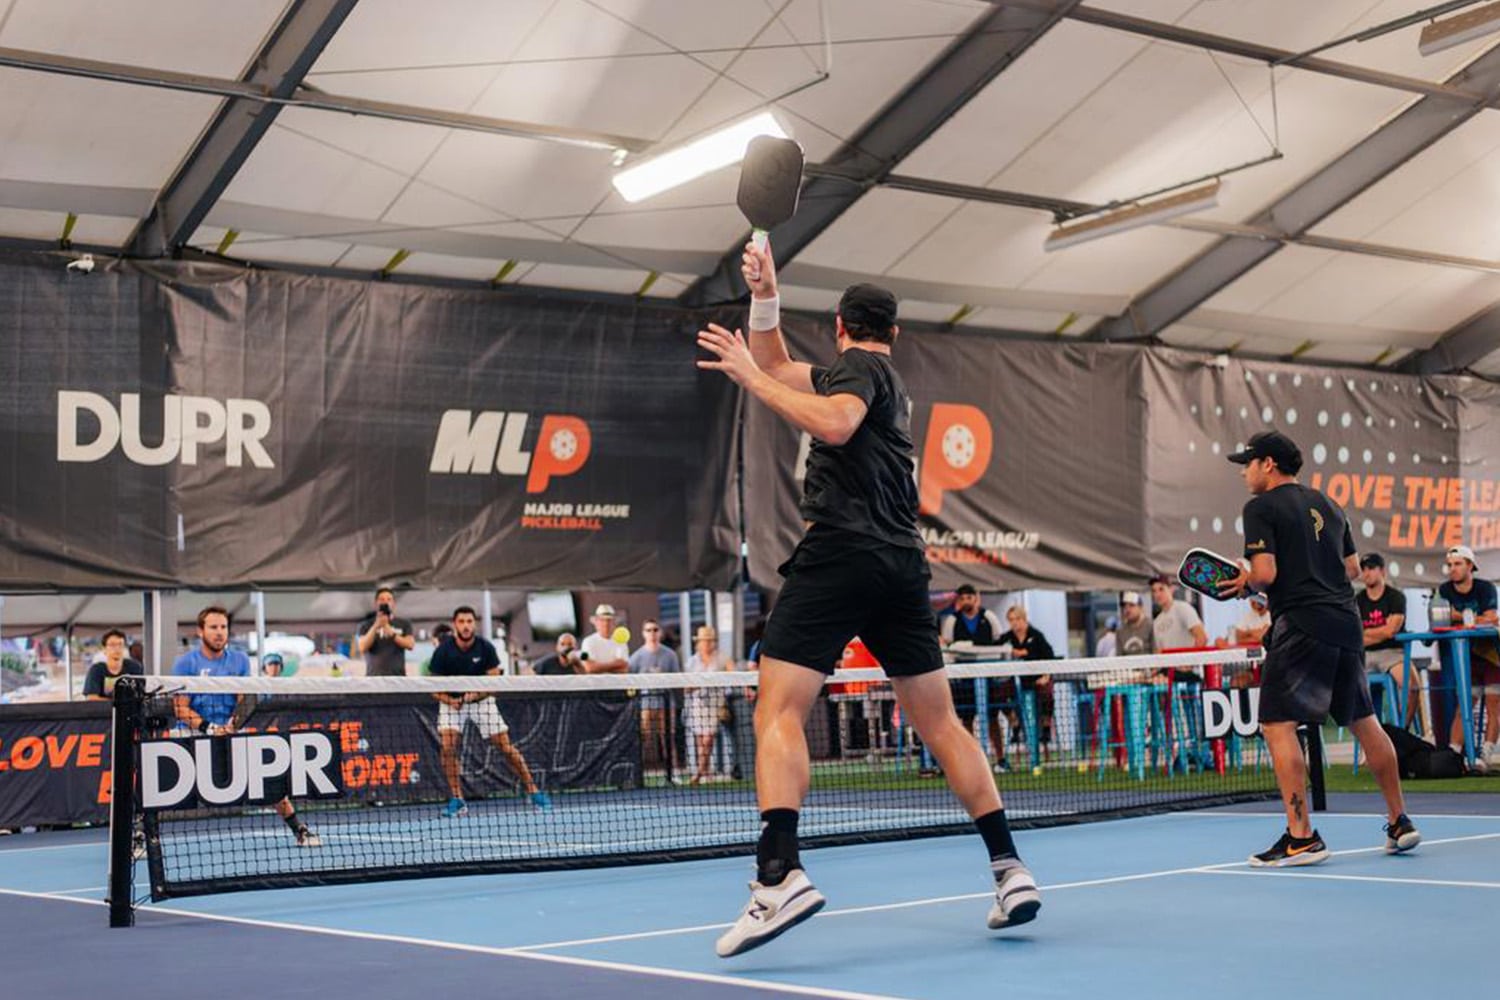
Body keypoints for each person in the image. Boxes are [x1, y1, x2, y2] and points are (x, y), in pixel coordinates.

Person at [695, 237, 1040, 958]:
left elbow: (824, 415)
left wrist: (747, 382)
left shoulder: (853, 379)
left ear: (844, 329)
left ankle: (778, 874)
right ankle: (1010, 870)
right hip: (901, 564)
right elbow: (780, 362)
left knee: (778, 707)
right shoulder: (886, 380)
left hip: (842, 553)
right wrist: (766, 297)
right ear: (896, 333)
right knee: (940, 723)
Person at [1221, 430, 1418, 865]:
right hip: (1345, 623)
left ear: (1268, 464)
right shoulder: (1330, 504)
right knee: (1366, 722)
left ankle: (1301, 836)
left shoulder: (1259, 507)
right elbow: (1349, 568)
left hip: (1303, 626)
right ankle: (1400, 819)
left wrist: (1245, 579)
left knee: (1277, 725)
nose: (1244, 473)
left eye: (1248, 464)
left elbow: (1266, 573)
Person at [172, 606, 320, 847]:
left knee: (266, 777)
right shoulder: (185, 663)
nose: (219, 633)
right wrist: (209, 728)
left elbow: (243, 700)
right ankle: (139, 835)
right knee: (159, 782)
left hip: (230, 731)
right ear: (201, 632)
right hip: (190, 733)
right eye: (213, 627)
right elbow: (180, 708)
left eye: (223, 627)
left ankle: (299, 830)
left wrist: (233, 724)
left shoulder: (240, 660)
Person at [428, 605, 550, 816]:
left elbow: (494, 683)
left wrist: (475, 695)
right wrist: (450, 700)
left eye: (469, 622)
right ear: (455, 625)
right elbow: (432, 688)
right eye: (461, 622)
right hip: (452, 704)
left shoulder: (485, 648)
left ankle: (533, 790)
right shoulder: (443, 651)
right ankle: (458, 799)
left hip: (481, 702)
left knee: (505, 747)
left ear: (473, 624)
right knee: (447, 748)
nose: (465, 626)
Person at [1435, 545, 1500, 767]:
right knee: (1464, 706)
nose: (1452, 569)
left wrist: (1458, 616)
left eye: (1457, 564)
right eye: (1450, 565)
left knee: (1494, 703)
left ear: (1470, 566)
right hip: (1466, 657)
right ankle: (1452, 756)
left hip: (1492, 655)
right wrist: (1473, 618)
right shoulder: (1444, 590)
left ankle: (1486, 755)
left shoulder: (1486, 588)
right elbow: (1440, 619)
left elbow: (1492, 618)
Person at [940, 585, 1006, 769]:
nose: (966, 601)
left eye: (969, 597)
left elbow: (998, 643)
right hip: (964, 680)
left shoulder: (989, 618)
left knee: (993, 717)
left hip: (988, 677)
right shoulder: (952, 621)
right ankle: (971, 761)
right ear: (959, 601)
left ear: (976, 598)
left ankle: (1001, 759)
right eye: (962, 598)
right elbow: (948, 647)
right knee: (966, 719)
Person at [1356, 553, 1420, 730]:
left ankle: (1401, 732)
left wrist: (1368, 633)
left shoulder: (1396, 597)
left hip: (1393, 653)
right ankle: (1371, 741)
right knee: (1355, 690)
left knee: (1412, 687)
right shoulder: (1357, 601)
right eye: (1363, 569)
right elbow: (1356, 636)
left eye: (1371, 568)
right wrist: (1381, 632)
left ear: (1382, 571)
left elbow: (1392, 630)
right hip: (1366, 654)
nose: (1366, 573)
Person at [628, 619, 681, 772]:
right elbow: (629, 680)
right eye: (649, 630)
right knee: (644, 738)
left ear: (661, 632)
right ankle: (639, 772)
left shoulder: (670, 655)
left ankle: (673, 771)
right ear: (643, 633)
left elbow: (677, 679)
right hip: (645, 705)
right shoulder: (636, 657)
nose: (652, 633)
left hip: (666, 704)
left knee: (668, 738)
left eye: (655, 629)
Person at [684, 625, 733, 784]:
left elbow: (734, 675)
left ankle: (699, 773)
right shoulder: (691, 661)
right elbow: (686, 688)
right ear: (698, 642)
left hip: (716, 704)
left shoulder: (723, 657)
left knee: (708, 739)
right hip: (698, 705)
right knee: (700, 741)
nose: (706, 644)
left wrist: (725, 695)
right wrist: (698, 684)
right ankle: (705, 771)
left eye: (709, 641)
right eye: (703, 641)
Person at [356, 587, 415, 677]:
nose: (385, 602)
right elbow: (362, 647)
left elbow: (410, 645)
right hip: (373, 677)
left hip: (398, 678)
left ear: (393, 603)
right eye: (382, 599)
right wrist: (376, 626)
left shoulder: (404, 624)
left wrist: (392, 634)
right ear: (376, 603)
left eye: (389, 599)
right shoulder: (366, 625)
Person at [1150, 576, 1208, 650]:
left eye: (1161, 589)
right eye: (1154, 591)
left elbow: (1202, 637)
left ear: (1171, 589)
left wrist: (1191, 660)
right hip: (1169, 661)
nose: (1157, 594)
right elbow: (1159, 651)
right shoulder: (1157, 622)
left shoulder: (1183, 608)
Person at [83, 629, 143, 700]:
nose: (117, 648)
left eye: (120, 644)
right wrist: (118, 704)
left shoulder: (134, 667)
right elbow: (92, 698)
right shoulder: (96, 670)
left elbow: (141, 694)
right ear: (104, 649)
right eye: (112, 645)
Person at [579, 604, 629, 673]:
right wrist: (615, 665)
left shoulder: (621, 642)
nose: (606, 624)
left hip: (616, 683)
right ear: (596, 622)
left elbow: (624, 668)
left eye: (609, 620)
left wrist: (598, 667)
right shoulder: (587, 642)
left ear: (614, 623)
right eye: (602, 620)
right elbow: (589, 667)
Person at [1116, 592, 1153, 656]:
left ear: (1140, 607)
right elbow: (1119, 657)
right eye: (1125, 606)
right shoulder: (1120, 631)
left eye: (1131, 605)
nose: (1127, 610)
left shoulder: (1151, 626)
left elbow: (1156, 653)